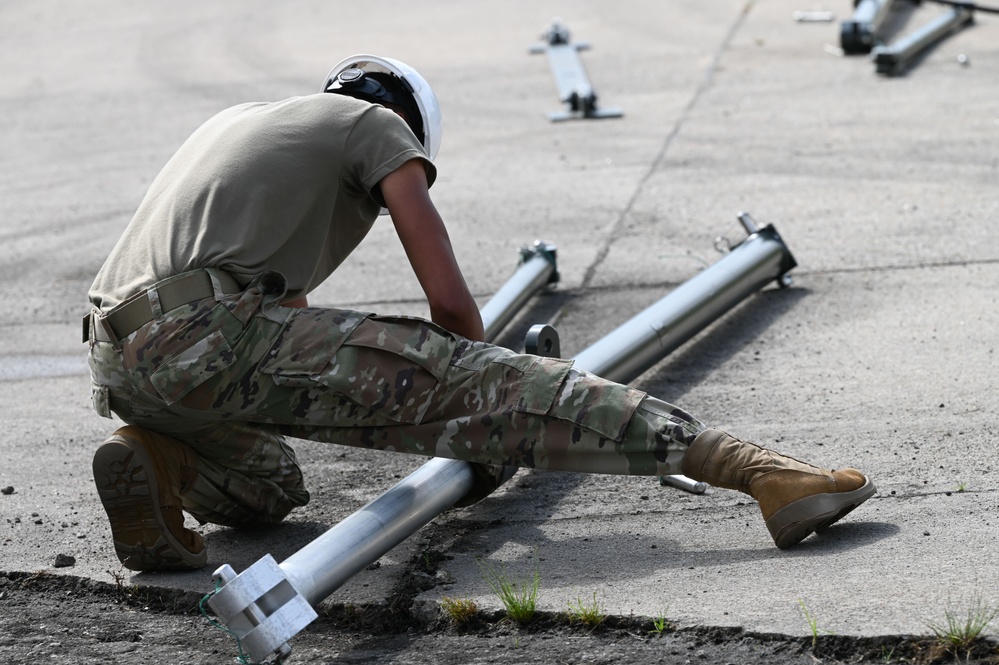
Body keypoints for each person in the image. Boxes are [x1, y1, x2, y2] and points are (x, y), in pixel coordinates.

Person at [84, 54, 875, 573]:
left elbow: (283, 323)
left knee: (270, 486)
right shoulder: (374, 127)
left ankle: (153, 460)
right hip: (203, 337)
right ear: (407, 124)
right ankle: (760, 472)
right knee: (497, 382)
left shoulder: (244, 125)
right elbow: (451, 301)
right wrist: (482, 387)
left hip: (120, 358)